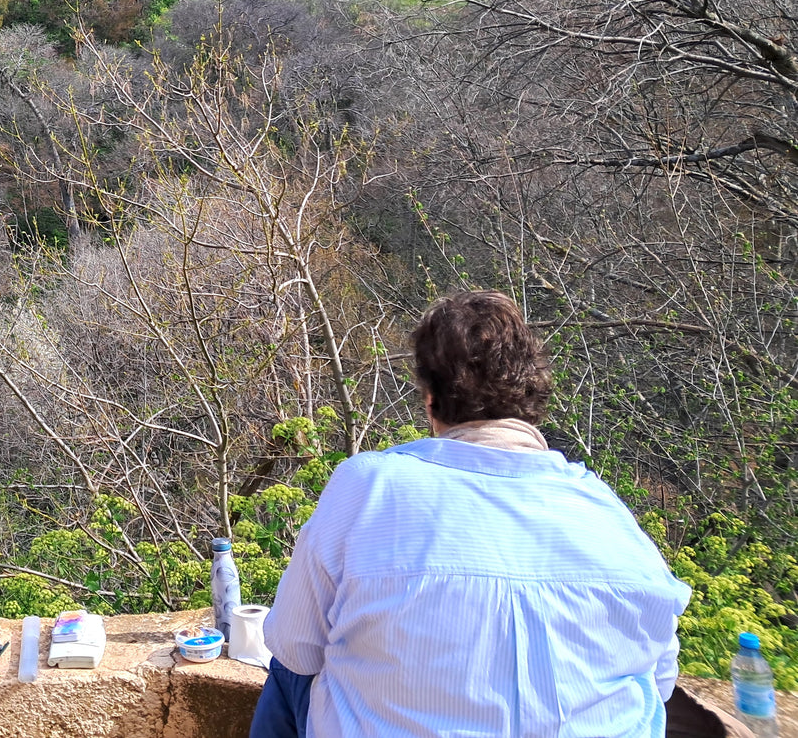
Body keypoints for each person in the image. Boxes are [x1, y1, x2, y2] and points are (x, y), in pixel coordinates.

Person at [252, 290, 690, 738]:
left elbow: (295, 647)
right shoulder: (606, 511)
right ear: (533, 396)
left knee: (289, 675)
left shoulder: (367, 486)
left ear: (430, 401)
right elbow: (660, 679)